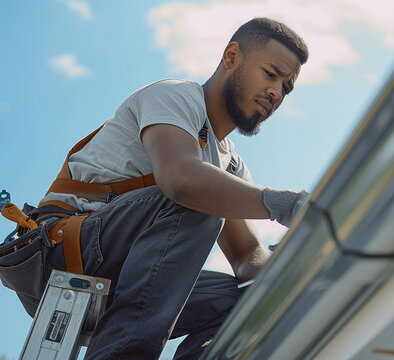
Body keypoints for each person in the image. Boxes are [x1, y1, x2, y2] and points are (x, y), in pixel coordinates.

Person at [38, 17, 309, 359]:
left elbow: (247, 259)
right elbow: (180, 180)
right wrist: (288, 205)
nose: (276, 92)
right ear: (231, 57)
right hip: (66, 249)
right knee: (198, 200)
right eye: (271, 74)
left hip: (133, 274)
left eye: (286, 87)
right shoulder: (176, 96)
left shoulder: (231, 166)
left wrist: (303, 258)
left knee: (245, 299)